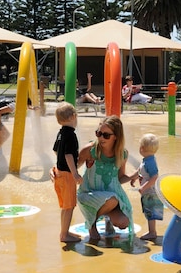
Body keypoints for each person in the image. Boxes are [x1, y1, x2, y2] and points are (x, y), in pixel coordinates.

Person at [75, 115, 135, 243]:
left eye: (106, 135)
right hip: (89, 195)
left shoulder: (122, 154)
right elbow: (72, 168)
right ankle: (91, 224)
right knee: (112, 200)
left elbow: (120, 178)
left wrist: (135, 175)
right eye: (99, 133)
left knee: (124, 222)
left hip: (111, 197)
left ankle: (107, 218)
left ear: (116, 137)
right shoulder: (90, 150)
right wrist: (57, 170)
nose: (101, 137)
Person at [52, 102, 83, 243]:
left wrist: (59, 163)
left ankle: (64, 231)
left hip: (59, 173)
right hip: (66, 175)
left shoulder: (61, 133)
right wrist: (75, 173)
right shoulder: (71, 135)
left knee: (65, 206)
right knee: (69, 206)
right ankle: (64, 235)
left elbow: (56, 150)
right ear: (73, 117)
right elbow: (68, 155)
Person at [132, 133, 162, 241]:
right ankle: (151, 231)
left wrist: (143, 187)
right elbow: (141, 171)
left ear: (142, 148)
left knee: (150, 211)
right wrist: (134, 178)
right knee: (148, 210)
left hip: (150, 191)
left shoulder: (150, 162)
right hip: (147, 191)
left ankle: (152, 232)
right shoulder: (147, 160)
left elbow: (154, 176)